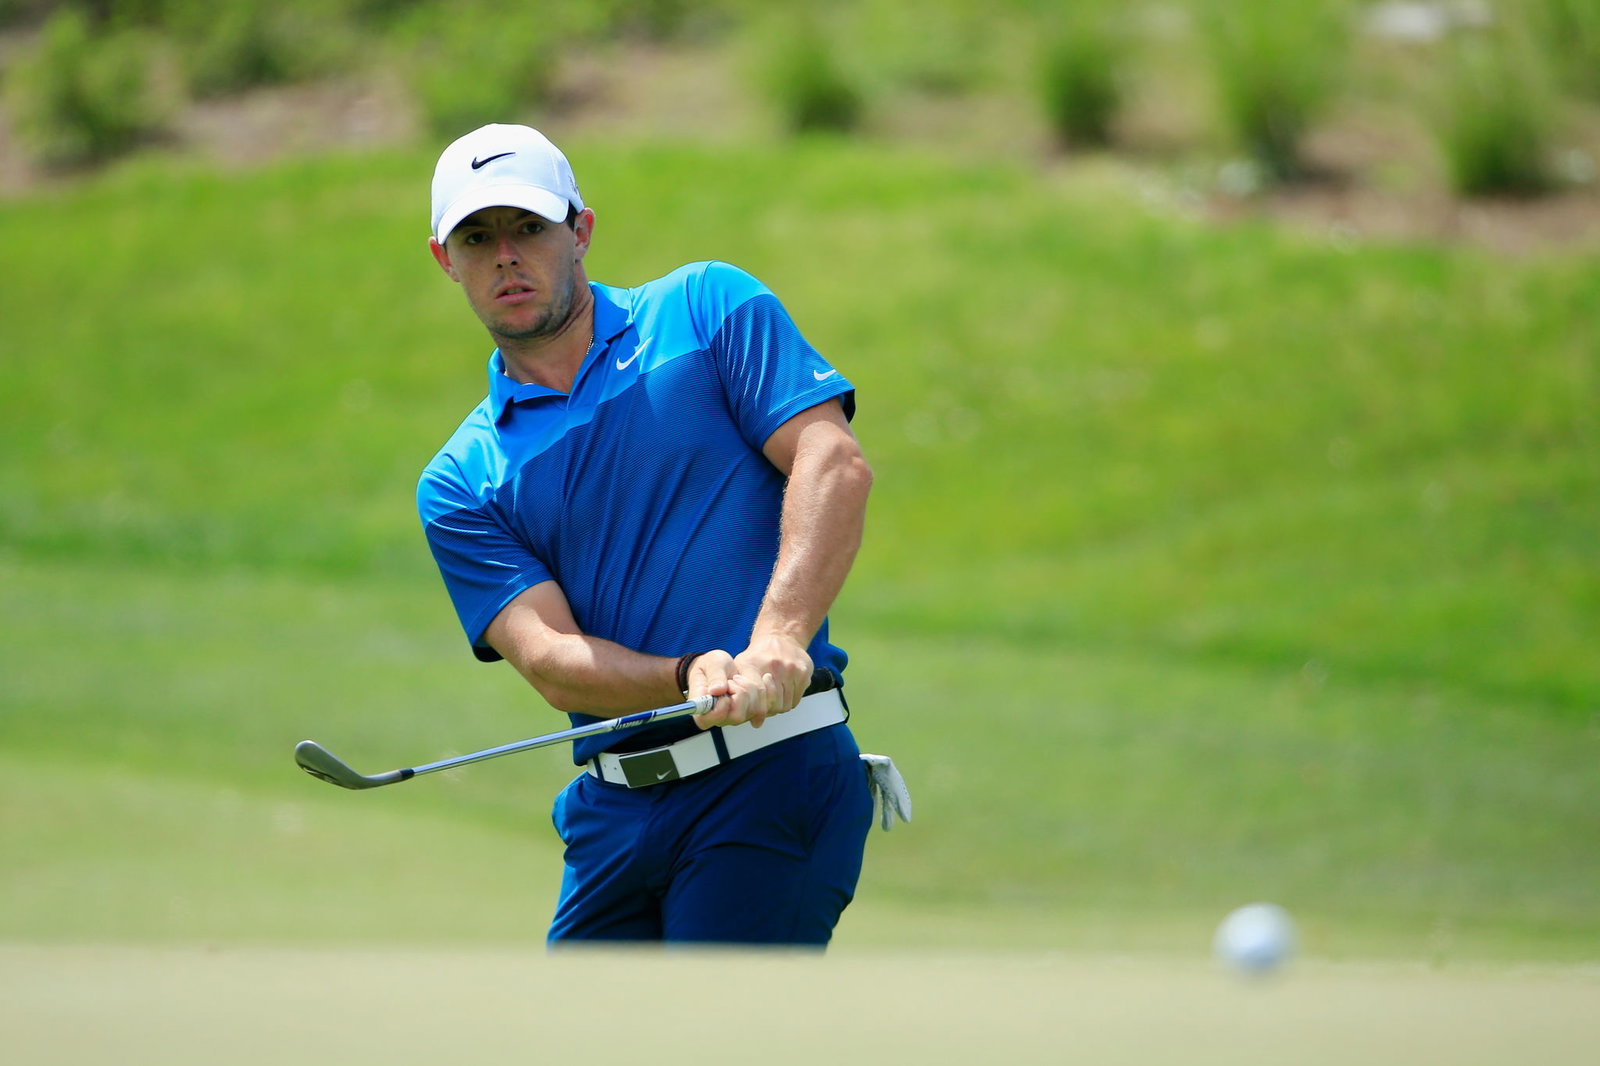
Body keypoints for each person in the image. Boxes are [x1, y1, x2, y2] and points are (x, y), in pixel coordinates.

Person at [417, 123, 894, 947]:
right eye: (477, 238)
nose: (506, 257)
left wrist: (778, 637)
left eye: (529, 227)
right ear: (445, 260)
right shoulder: (462, 478)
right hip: (613, 815)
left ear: (580, 231)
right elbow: (551, 660)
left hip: (769, 774)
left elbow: (832, 462)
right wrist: (683, 674)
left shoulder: (706, 309)